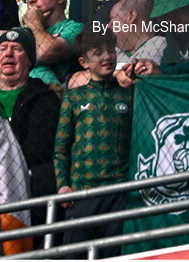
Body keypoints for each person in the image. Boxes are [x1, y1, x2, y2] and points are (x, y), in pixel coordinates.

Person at [54, 33, 133, 251]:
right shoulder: (73, 98)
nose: (107, 56)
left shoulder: (129, 94)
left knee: (116, 254)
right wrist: (62, 185)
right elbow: (60, 148)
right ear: (84, 62)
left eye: (111, 50)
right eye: (97, 53)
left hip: (119, 190)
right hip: (83, 192)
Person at [0, 27, 60, 210]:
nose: (8, 54)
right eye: (3, 49)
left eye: (17, 49)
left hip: (21, 186)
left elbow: (38, 148)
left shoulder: (43, 98)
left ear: (30, 60)